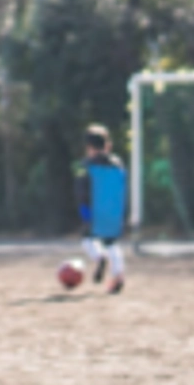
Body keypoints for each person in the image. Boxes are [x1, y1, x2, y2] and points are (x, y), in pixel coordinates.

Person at [76, 124, 127, 294]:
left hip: (94, 212)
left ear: (89, 147)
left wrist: (85, 214)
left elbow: (82, 193)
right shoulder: (118, 164)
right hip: (114, 211)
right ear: (107, 145)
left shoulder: (86, 166)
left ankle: (99, 258)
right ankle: (118, 277)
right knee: (112, 243)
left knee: (87, 239)